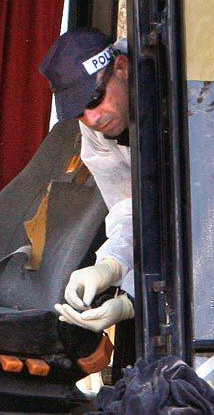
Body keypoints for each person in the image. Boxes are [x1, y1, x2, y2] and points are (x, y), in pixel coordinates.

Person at [40, 28, 134, 333]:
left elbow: (207, 215)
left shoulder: (192, 98)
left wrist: (132, 299)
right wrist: (108, 267)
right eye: (80, 112)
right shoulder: (96, 131)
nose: (92, 119)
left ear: (121, 68)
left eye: (94, 99)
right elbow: (130, 213)